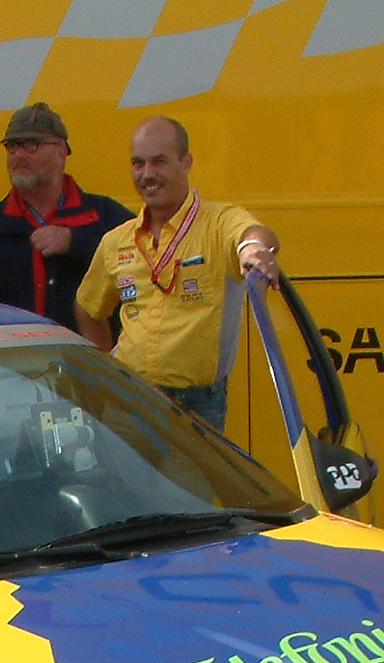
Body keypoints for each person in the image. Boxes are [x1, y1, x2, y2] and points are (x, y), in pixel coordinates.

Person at [73, 116, 281, 430]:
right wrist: (110, 372)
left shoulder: (218, 222)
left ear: (186, 162)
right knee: (129, 481)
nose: (147, 175)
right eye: (138, 164)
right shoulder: (116, 241)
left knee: (189, 482)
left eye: (159, 162)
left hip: (197, 405)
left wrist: (253, 249)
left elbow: (253, 234)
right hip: (132, 398)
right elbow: (88, 308)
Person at [0, 102, 132, 332]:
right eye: (12, 146)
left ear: (61, 151)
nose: (19, 155)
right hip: (16, 363)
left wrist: (76, 244)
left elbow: (144, 270)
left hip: (91, 364)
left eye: (31, 145)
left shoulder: (106, 216)